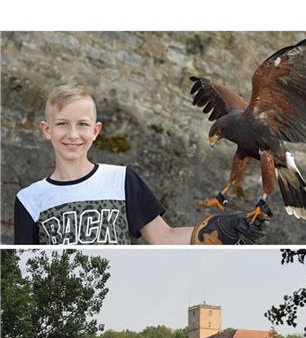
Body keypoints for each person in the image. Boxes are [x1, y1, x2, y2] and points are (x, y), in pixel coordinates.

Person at [13, 84, 268, 245]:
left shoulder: (122, 180)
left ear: (95, 130)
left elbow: (164, 237)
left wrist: (222, 229)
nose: (72, 134)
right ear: (47, 130)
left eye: (82, 124)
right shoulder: (29, 199)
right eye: (61, 124)